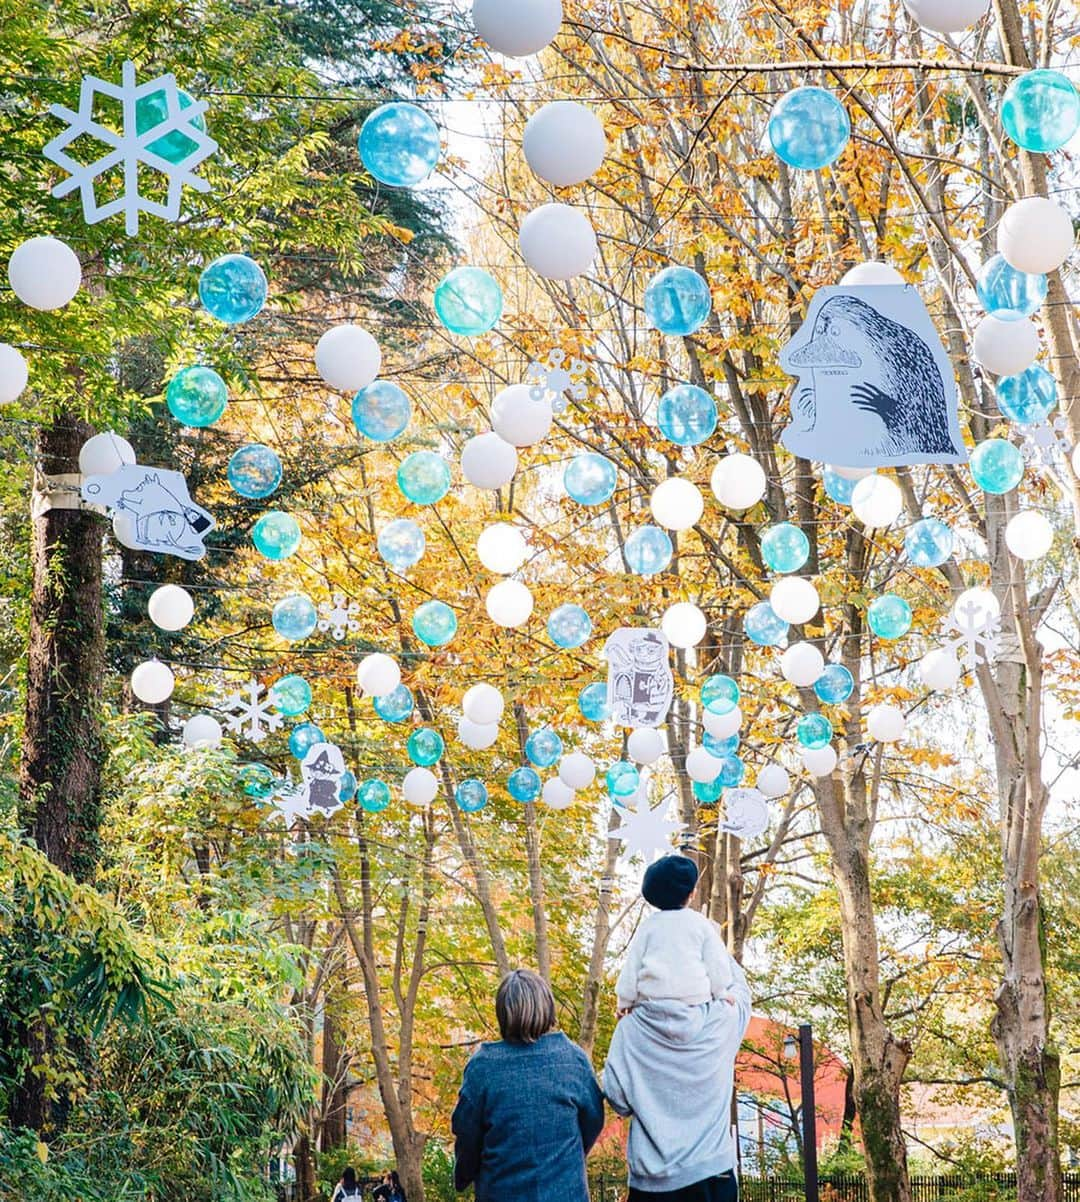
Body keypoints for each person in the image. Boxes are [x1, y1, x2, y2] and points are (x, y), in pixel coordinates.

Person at [603, 856, 752, 1202]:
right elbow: (740, 993)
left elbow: (618, 1100)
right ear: (691, 891)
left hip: (651, 1184)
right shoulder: (721, 1021)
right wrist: (713, 947)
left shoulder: (630, 1032)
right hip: (711, 1174)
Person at [452, 968, 605, 1202]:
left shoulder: (482, 1068)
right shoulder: (574, 1059)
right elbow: (592, 1122)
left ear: (503, 1013)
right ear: (548, 1008)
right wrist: (564, 1158)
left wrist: (463, 1176)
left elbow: (467, 1135)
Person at [615, 854, 733, 1015]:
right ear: (692, 893)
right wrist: (721, 992)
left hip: (651, 1004)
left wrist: (624, 1001)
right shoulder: (701, 924)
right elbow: (716, 963)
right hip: (694, 1005)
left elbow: (632, 966)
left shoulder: (648, 926)